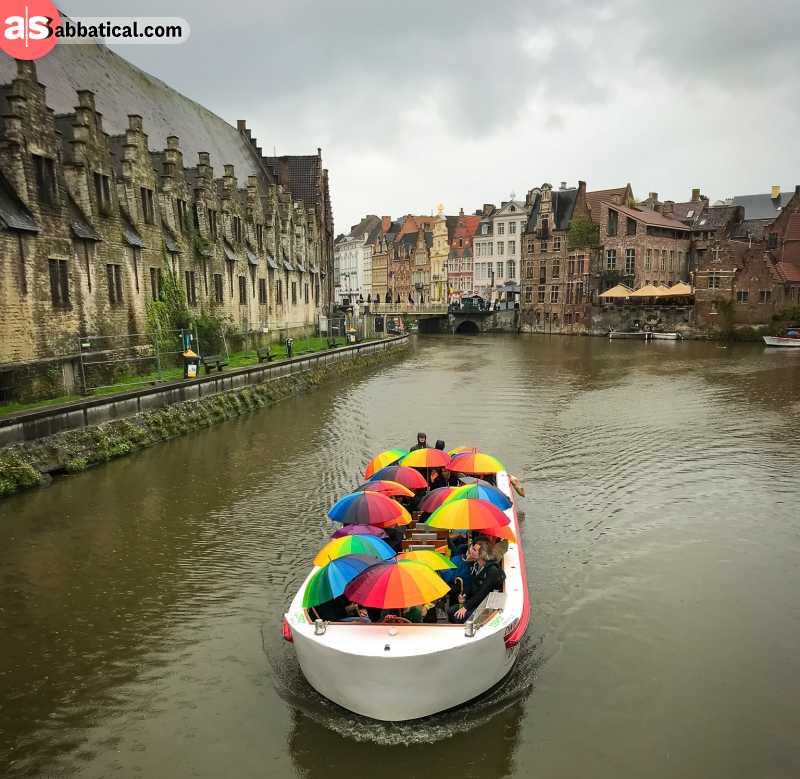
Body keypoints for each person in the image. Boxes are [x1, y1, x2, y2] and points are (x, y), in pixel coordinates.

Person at [449, 539, 505, 623]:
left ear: (482, 554)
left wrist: (466, 607)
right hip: (475, 601)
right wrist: (464, 594)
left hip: (484, 606)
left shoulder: (492, 571)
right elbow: (472, 584)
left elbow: (482, 593)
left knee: (456, 615)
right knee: (451, 610)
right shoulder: (477, 565)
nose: (471, 550)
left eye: (474, 550)